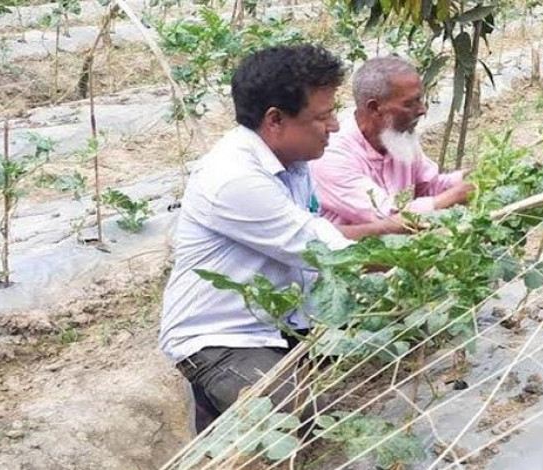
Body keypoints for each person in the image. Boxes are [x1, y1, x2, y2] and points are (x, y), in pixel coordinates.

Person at [159, 45, 402, 433]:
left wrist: (391, 229)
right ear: (275, 119)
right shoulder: (234, 177)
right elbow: (327, 253)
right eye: (323, 117)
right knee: (309, 427)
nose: (336, 126)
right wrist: (420, 253)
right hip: (224, 339)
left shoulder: (293, 162)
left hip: (279, 322)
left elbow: (314, 233)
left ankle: (218, 422)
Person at [311, 57, 475, 225]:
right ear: (375, 108)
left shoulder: (399, 138)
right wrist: (454, 196)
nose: (422, 110)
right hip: (354, 249)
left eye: (420, 99)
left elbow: (430, 186)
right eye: (409, 103)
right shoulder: (332, 155)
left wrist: (475, 178)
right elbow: (386, 215)